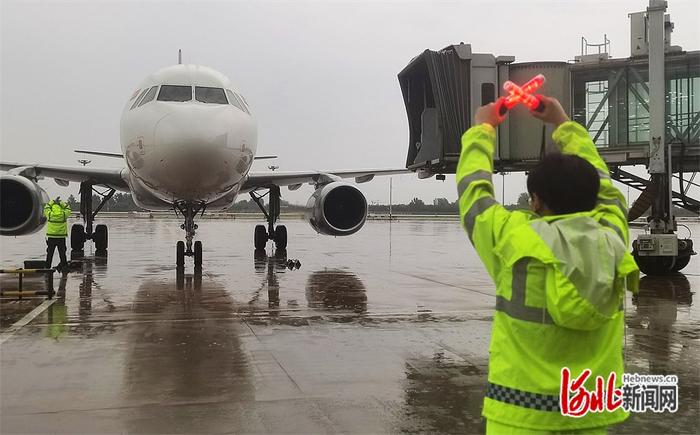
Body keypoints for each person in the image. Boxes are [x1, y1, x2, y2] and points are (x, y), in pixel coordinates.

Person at [456, 96, 640, 434]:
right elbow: (607, 190)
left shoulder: (513, 239)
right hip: (589, 414)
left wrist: (481, 130)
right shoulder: (613, 237)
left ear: (536, 201)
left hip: (519, 418)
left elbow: (473, 192)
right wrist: (564, 124)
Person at [44, 196, 71, 273]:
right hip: (61, 237)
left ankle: (47, 267)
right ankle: (64, 267)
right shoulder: (63, 214)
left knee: (50, 253)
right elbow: (68, 208)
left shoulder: (50, 214)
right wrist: (60, 203)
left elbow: (46, 208)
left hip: (51, 236)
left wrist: (53, 201)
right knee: (62, 253)